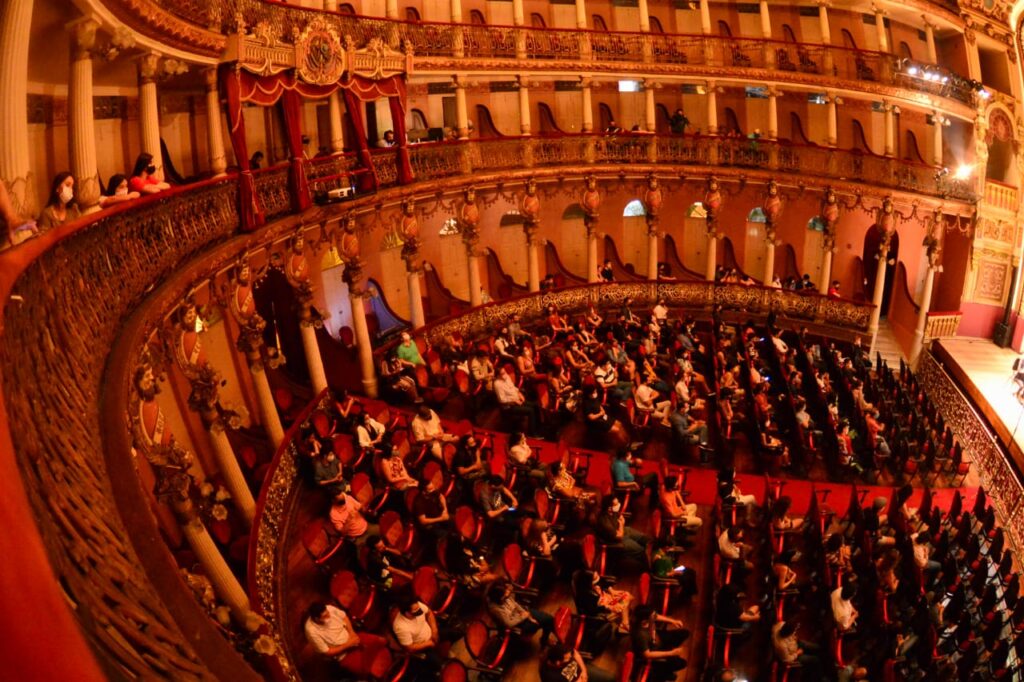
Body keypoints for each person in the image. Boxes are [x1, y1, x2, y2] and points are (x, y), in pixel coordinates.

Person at [305, 602, 388, 677]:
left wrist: (351, 633)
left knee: (381, 641)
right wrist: (348, 644)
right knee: (366, 670)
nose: (329, 616)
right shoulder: (311, 631)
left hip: (352, 637)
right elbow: (327, 652)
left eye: (327, 613)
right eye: (325, 616)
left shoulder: (329, 608)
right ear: (316, 619)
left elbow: (344, 617)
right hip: (343, 654)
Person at [632, 606, 689, 681]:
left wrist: (673, 621)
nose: (655, 617)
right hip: (654, 650)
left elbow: (656, 616)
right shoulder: (640, 635)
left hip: (658, 637)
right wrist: (671, 653)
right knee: (682, 663)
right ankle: (663, 673)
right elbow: (647, 654)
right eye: (652, 616)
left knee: (684, 633)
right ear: (644, 621)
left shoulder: (645, 619)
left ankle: (670, 652)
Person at [487, 580, 555, 643]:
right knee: (536, 624)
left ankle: (544, 639)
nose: (507, 594)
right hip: (516, 622)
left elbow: (516, 605)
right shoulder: (495, 609)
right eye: (505, 595)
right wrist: (524, 617)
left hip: (522, 614)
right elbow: (509, 623)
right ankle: (526, 639)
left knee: (549, 619)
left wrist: (529, 616)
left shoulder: (504, 596)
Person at [391, 596, 442, 673]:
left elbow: (429, 613)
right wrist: (429, 643)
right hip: (423, 646)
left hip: (432, 632)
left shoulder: (416, 605)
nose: (419, 610)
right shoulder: (400, 627)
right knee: (440, 665)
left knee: (456, 632)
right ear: (407, 613)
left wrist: (434, 630)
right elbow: (410, 647)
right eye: (415, 610)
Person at [596, 495, 649, 566]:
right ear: (609, 508)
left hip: (620, 530)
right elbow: (619, 535)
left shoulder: (613, 512)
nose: (618, 505)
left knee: (643, 538)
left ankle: (650, 548)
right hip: (615, 541)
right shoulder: (605, 522)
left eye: (618, 503)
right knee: (640, 550)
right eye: (616, 504)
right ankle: (649, 564)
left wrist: (621, 522)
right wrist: (621, 524)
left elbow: (619, 517)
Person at [574, 569, 633, 633]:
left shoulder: (596, 581)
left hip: (607, 598)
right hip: (602, 610)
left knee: (626, 595)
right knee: (622, 607)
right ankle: (624, 625)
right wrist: (609, 607)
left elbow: (602, 581)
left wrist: (612, 591)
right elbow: (593, 610)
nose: (598, 579)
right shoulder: (586, 596)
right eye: (595, 579)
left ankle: (623, 625)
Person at [494, 366, 541, 436]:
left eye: (505, 372)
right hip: (509, 405)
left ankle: (538, 426)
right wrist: (514, 401)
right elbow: (502, 399)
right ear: (498, 375)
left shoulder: (506, 377)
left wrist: (519, 393)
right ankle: (532, 433)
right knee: (530, 410)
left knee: (536, 405)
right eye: (502, 373)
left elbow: (513, 387)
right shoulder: (497, 384)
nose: (505, 374)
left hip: (517, 398)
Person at [540, 643, 615, 682]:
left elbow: (575, 652)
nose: (571, 658)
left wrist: (584, 671)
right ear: (558, 663)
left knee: (610, 678)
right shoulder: (551, 677)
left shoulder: (560, 650)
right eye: (568, 658)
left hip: (581, 671)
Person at [412, 476, 451, 540]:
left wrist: (445, 509)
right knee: (447, 536)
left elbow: (441, 497)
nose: (433, 490)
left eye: (433, 488)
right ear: (423, 492)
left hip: (439, 517)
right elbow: (423, 521)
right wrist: (441, 519)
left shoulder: (433, 491)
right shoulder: (419, 502)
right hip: (431, 525)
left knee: (455, 523)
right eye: (430, 489)